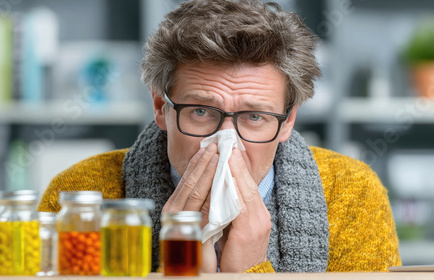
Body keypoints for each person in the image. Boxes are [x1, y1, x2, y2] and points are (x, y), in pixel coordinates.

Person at [38, 0, 401, 273]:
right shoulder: (81, 200)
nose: (227, 141)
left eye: (254, 116)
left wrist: (247, 272)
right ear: (161, 107)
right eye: (200, 111)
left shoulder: (353, 194)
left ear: (288, 122)